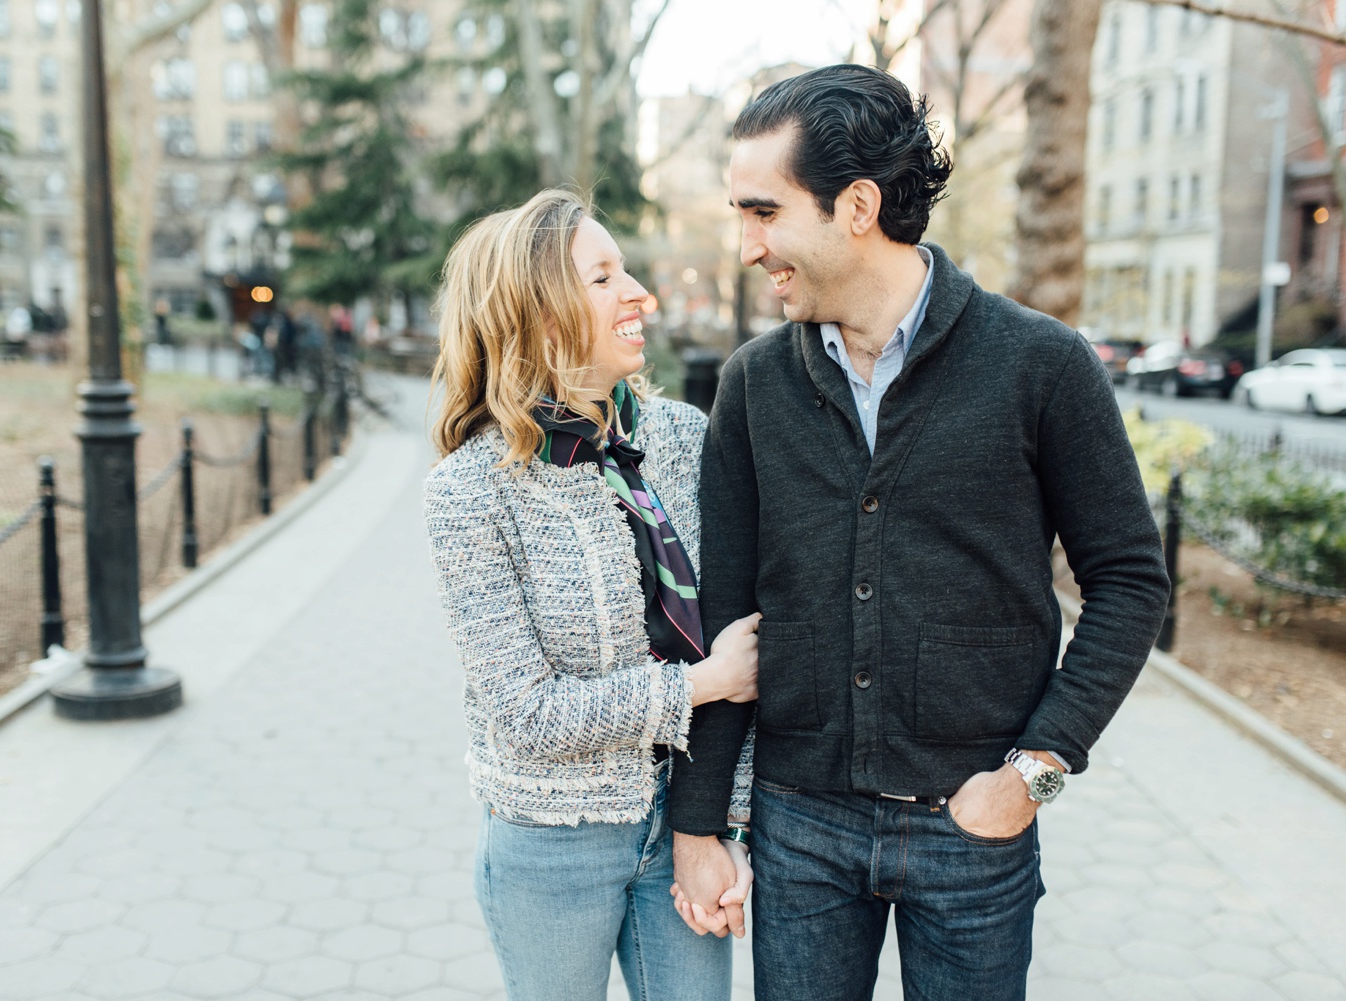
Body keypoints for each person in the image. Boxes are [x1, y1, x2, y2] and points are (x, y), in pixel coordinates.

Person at [668, 64, 1171, 1001]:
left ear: (856, 205)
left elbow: (1131, 581)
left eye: (764, 212)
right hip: (800, 827)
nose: (746, 246)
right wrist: (699, 825)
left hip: (974, 827)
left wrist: (1034, 774)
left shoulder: (1040, 365)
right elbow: (725, 614)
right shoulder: (753, 384)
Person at [423, 189, 760, 1001]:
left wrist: (721, 822)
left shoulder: (683, 435)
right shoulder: (470, 490)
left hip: (682, 818)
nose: (639, 292)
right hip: (551, 841)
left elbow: (741, 630)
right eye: (604, 278)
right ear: (537, 316)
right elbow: (525, 714)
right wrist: (698, 683)